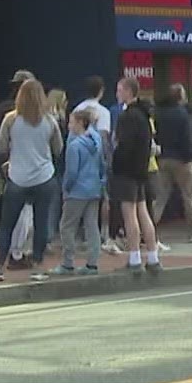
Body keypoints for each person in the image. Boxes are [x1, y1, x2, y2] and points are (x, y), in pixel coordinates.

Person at [0, 78, 63, 282]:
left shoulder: (11, 119)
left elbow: (0, 147)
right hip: (44, 177)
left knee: (7, 225)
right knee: (41, 224)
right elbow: (58, 148)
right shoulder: (50, 121)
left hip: (18, 178)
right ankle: (38, 267)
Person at [109, 83, 161, 275]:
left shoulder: (127, 117)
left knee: (129, 215)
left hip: (127, 171)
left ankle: (134, 258)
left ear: (128, 92)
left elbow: (123, 146)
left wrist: (117, 163)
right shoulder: (145, 116)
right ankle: (153, 257)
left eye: (119, 90)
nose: (117, 93)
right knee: (143, 212)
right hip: (141, 171)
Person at [145, 83, 192, 243]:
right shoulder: (183, 114)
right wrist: (190, 156)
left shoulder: (158, 114)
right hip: (182, 160)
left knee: (161, 197)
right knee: (188, 196)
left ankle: (148, 230)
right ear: (180, 96)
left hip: (163, 157)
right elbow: (187, 138)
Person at [54, 106, 105, 275]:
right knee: (91, 226)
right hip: (94, 189)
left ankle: (68, 262)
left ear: (80, 123)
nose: (69, 125)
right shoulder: (96, 140)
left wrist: (66, 188)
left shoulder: (74, 146)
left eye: (72, 122)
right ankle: (92, 263)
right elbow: (102, 165)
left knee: (67, 226)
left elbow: (71, 172)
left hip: (76, 191)